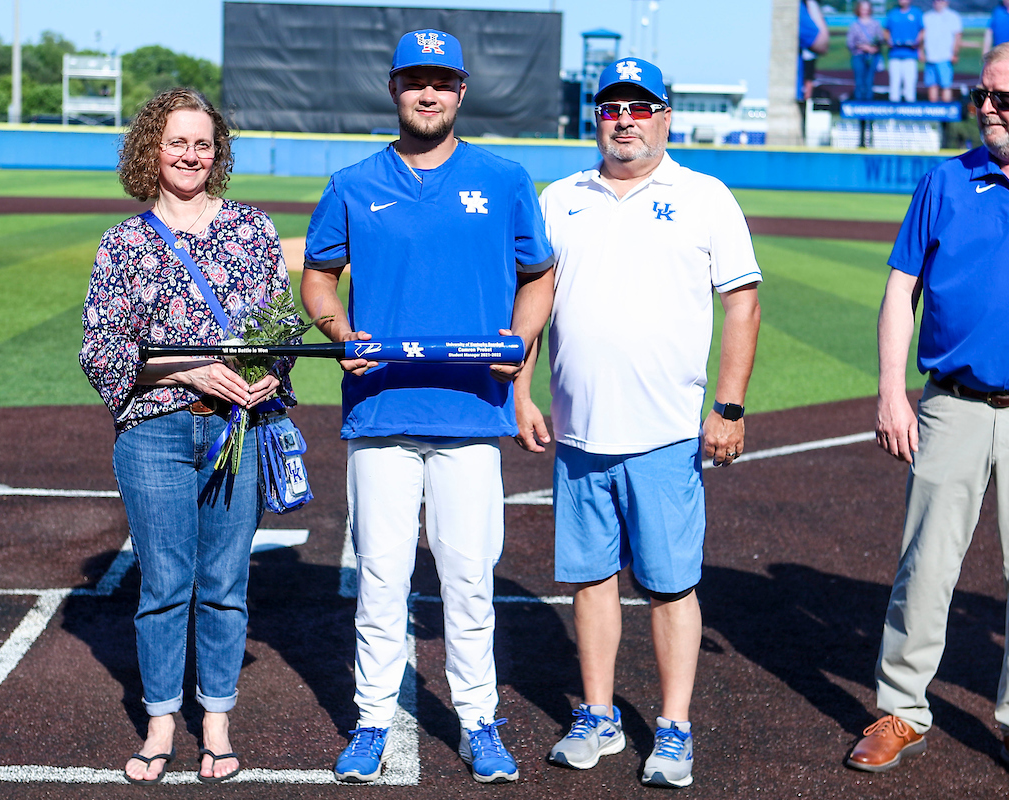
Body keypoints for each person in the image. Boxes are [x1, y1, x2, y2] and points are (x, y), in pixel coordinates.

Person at [299, 28, 554, 785]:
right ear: (394, 88)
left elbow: (539, 275)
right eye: (416, 80)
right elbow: (318, 277)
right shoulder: (352, 182)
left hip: (472, 412)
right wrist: (339, 328)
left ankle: (479, 719)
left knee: (469, 578)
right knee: (381, 578)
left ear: (462, 91)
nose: (429, 93)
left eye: (442, 81)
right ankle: (372, 718)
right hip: (381, 409)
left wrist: (520, 335)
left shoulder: (504, 179)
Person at [515, 57, 761, 790]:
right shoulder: (560, 198)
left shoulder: (705, 196)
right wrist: (522, 394)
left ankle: (676, 727)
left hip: (665, 434)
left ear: (665, 116)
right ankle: (597, 715)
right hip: (581, 434)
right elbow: (533, 302)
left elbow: (741, 303)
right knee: (590, 581)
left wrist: (729, 405)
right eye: (612, 107)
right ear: (596, 117)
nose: (625, 119)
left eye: (641, 106)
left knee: (669, 585)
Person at [80, 87, 298, 785]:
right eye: (177, 141)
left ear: (218, 152)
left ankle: (218, 722)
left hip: (237, 429)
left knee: (226, 585)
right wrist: (196, 369)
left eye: (203, 143)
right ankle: (161, 722)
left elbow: (283, 328)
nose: (190, 154)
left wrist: (267, 374)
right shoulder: (124, 243)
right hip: (155, 435)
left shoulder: (253, 230)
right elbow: (102, 352)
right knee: (166, 584)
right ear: (151, 148)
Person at [845, 43, 1009, 774]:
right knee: (926, 568)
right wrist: (889, 391)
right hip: (954, 404)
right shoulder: (945, 180)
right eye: (984, 95)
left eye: (1003, 98)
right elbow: (897, 291)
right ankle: (902, 709)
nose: (988, 109)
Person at [922, 0, 963, 103]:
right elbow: (922, 36)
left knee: (946, 85)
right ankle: (934, 111)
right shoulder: (927, 17)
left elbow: (957, 37)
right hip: (930, 57)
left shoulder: (953, 16)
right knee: (932, 85)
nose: (937, 3)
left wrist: (955, 53)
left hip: (945, 57)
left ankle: (946, 113)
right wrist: (921, 51)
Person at [885, 0, 925, 102]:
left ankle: (910, 109)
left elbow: (922, 30)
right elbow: (886, 30)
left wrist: (917, 43)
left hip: (910, 54)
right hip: (895, 54)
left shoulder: (916, 13)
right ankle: (893, 111)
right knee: (894, 82)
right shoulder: (892, 13)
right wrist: (888, 40)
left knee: (910, 83)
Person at [848, 1, 884, 101]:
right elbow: (850, 43)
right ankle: (859, 109)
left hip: (872, 57)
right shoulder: (855, 25)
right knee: (859, 82)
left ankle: (869, 109)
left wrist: (874, 47)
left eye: (866, 9)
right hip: (858, 56)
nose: (865, 12)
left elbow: (880, 39)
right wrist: (862, 46)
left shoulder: (875, 24)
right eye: (863, 9)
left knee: (869, 82)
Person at [800, 0, 831, 102]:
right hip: (807, 51)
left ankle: (807, 98)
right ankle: (806, 99)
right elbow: (822, 42)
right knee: (808, 77)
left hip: (809, 53)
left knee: (809, 76)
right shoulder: (799, 9)